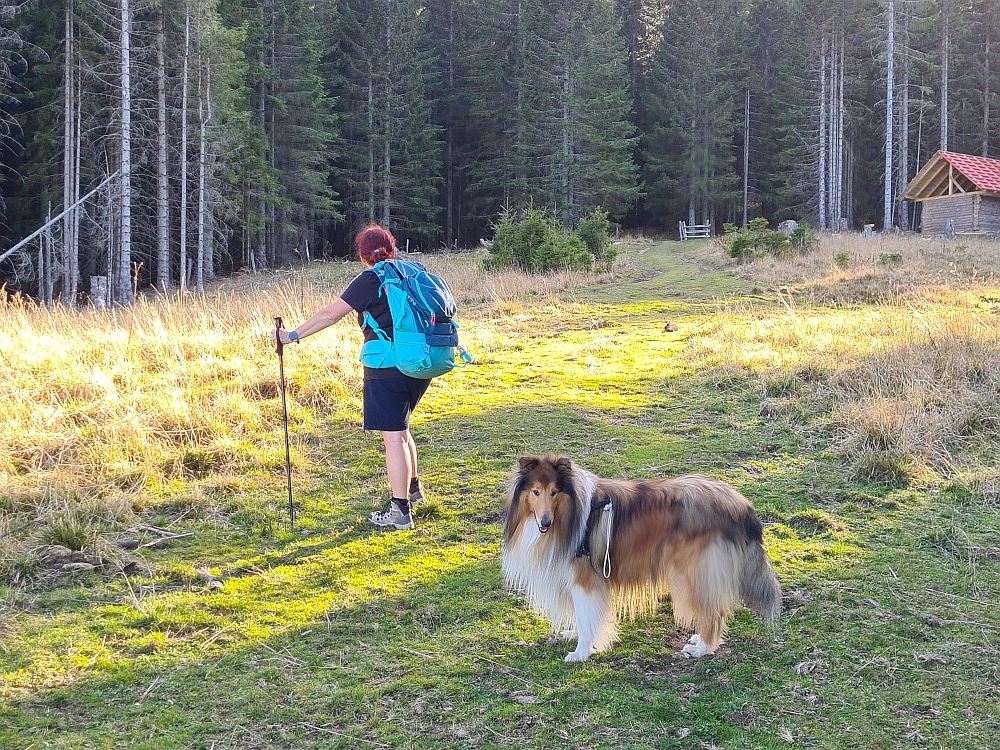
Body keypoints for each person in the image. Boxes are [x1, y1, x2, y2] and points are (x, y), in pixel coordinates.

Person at [274, 224, 429, 531]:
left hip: (385, 365)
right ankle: (413, 493)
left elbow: (331, 314)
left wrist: (290, 335)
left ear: (362, 255)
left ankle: (400, 511)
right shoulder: (413, 273)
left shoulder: (370, 279)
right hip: (420, 363)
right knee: (401, 429)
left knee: (392, 437)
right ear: (392, 249)